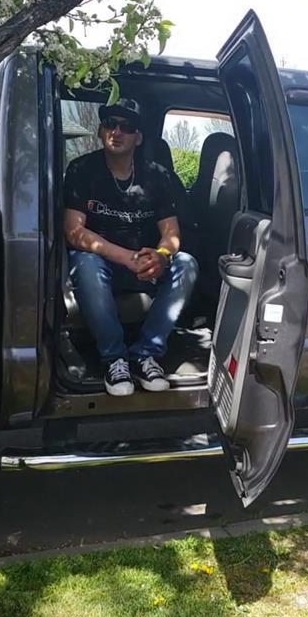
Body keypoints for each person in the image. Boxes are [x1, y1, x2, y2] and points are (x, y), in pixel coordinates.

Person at [63, 98, 198, 396]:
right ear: (100, 131)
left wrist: (162, 256)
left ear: (138, 137)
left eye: (127, 127)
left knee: (186, 263)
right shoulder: (81, 169)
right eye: (110, 124)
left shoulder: (157, 175)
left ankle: (146, 354)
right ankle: (115, 359)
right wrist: (126, 257)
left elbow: (171, 232)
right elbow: (74, 232)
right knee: (84, 261)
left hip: (144, 263)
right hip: (102, 263)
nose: (117, 131)